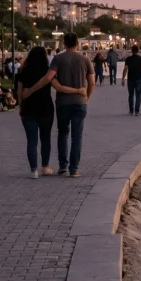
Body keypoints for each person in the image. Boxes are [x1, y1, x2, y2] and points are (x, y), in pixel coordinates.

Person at [25, 32, 94, 178]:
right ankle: (74, 169)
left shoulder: (58, 59)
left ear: (64, 43)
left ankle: (63, 166)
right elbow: (92, 82)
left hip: (63, 103)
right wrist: (87, 97)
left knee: (63, 133)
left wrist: (31, 90)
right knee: (77, 136)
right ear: (77, 43)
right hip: (80, 102)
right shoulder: (85, 59)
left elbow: (48, 78)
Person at [121, 45, 141, 116]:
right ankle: (137, 111)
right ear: (138, 50)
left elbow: (125, 69)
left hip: (130, 79)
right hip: (139, 79)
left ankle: (131, 110)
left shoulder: (128, 59)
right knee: (138, 95)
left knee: (131, 95)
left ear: (131, 50)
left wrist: (123, 78)